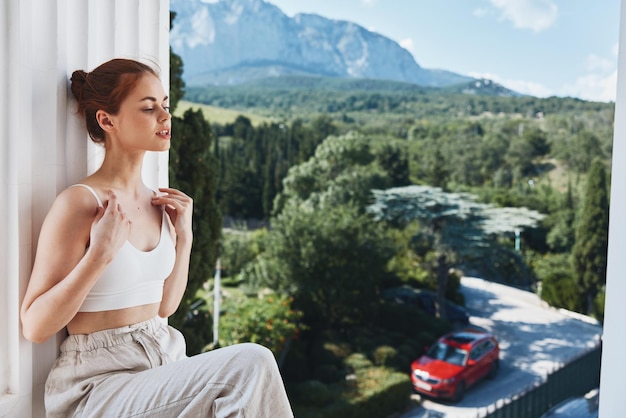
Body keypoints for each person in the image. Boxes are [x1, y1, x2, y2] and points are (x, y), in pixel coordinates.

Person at [20, 58, 294, 418]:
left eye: (165, 106)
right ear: (107, 120)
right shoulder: (81, 203)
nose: (165, 118)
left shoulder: (158, 202)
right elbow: (36, 325)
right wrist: (99, 254)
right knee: (251, 363)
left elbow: (164, 307)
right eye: (149, 108)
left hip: (162, 363)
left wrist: (185, 238)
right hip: (100, 385)